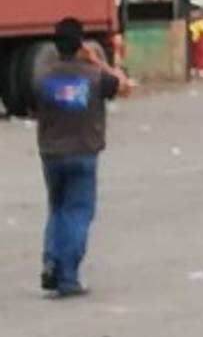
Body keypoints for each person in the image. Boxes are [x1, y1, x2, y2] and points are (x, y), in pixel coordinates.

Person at [30, 17, 132, 298]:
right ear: (81, 45)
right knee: (77, 213)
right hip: (84, 152)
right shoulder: (95, 77)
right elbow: (123, 84)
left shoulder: (43, 77)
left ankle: (51, 262)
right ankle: (67, 277)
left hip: (51, 154)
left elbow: (31, 106)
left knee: (57, 209)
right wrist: (96, 60)